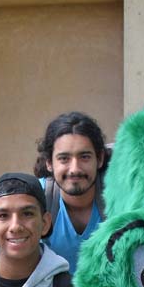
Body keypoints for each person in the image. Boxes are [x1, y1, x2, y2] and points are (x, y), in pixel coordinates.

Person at [33, 111, 109, 271]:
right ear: (49, 163)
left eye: (85, 157)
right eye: (64, 158)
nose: (74, 169)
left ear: (100, 158)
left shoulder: (120, 199)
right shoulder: (34, 198)